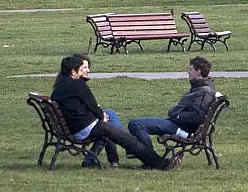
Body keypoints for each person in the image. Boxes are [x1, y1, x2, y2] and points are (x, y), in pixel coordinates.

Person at [49, 54, 184, 171]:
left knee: (113, 120)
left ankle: (114, 159)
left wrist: (101, 116)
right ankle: (161, 164)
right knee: (129, 140)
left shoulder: (58, 88)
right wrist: (101, 117)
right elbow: (93, 106)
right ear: (73, 71)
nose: (86, 71)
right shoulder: (78, 84)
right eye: (82, 69)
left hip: (76, 127)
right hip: (85, 128)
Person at [127, 56, 216, 159]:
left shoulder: (204, 91)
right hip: (179, 124)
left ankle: (151, 159)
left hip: (182, 128)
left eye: (190, 69)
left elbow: (197, 117)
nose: (188, 72)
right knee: (136, 124)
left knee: (136, 124)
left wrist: (177, 115)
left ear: (198, 72)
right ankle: (137, 152)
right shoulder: (201, 87)